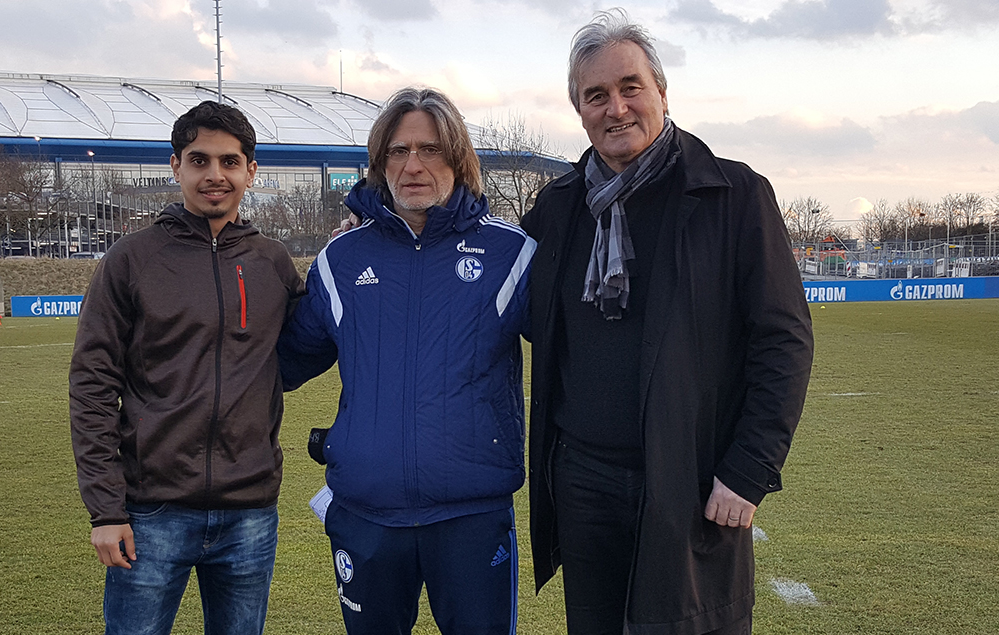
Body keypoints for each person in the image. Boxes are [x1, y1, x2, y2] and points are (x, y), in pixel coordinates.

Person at [520, 10, 814, 635]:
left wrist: (748, 471)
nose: (616, 108)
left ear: (661, 92)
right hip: (583, 483)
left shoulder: (733, 196)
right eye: (595, 95)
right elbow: (515, 309)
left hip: (692, 481)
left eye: (630, 88)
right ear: (579, 111)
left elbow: (783, 341)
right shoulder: (559, 207)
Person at [277, 87, 536, 635]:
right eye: (398, 151)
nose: (413, 165)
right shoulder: (341, 260)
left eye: (431, 149)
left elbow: (582, 353)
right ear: (379, 162)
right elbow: (279, 362)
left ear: (459, 158)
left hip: (471, 517)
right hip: (367, 518)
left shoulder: (511, 254)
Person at [69, 101, 303, 635]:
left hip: (250, 512)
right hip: (151, 514)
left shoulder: (272, 262)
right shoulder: (131, 259)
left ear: (251, 171)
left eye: (229, 161)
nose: (215, 175)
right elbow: (92, 385)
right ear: (175, 166)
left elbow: (304, 347)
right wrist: (107, 510)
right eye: (199, 161)